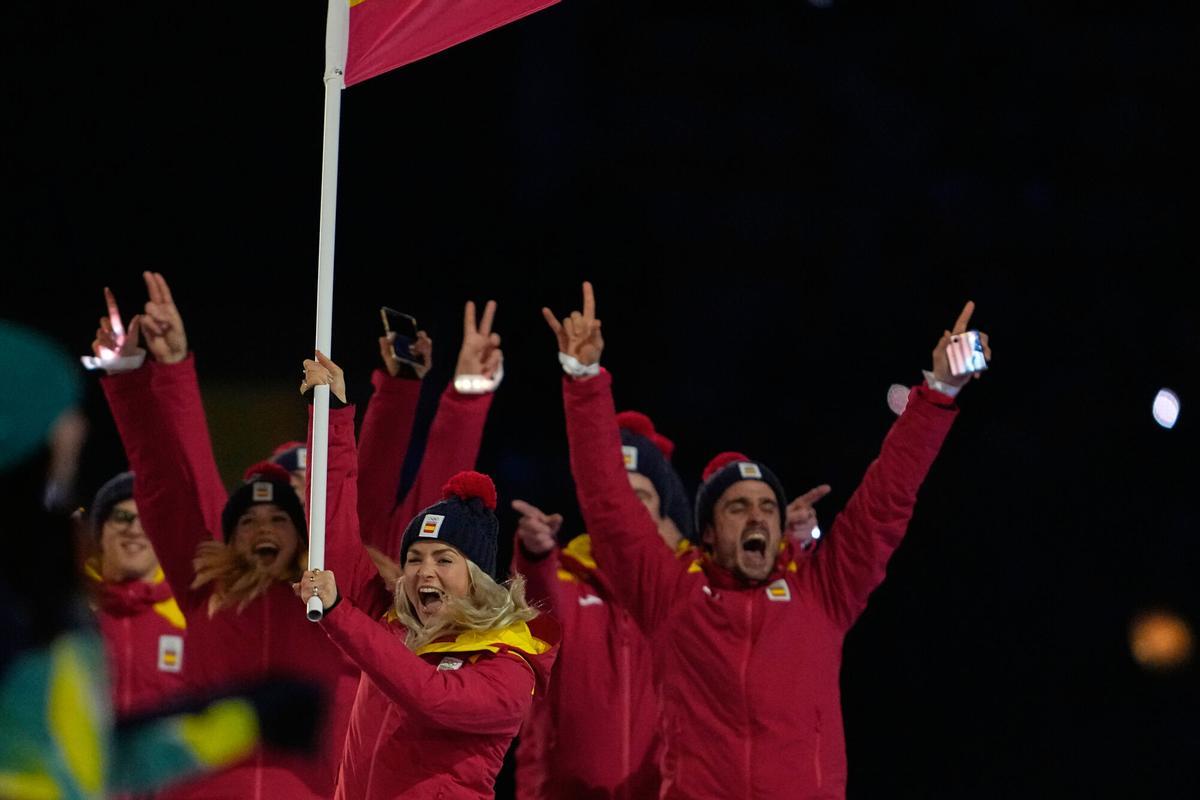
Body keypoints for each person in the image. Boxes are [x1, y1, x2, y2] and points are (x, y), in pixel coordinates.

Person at [544, 282, 990, 799]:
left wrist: (939, 392)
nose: (756, 515)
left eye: (767, 507)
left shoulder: (823, 593)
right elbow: (607, 502)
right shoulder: (672, 596)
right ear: (709, 533)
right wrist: (584, 380)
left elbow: (886, 501)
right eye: (737, 507)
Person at [0, 319, 322, 800]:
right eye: (59, 415)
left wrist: (248, 717)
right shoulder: (33, 610)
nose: (76, 429)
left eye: (286, 514)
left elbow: (95, 761)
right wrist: (150, 376)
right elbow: (178, 486)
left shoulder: (47, 599)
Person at [93, 273, 378, 798]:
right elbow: (167, 480)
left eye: (278, 520)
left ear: (303, 534)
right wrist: (142, 373)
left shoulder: (331, 603)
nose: (263, 528)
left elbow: (341, 505)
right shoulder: (205, 590)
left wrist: (334, 416)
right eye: (247, 521)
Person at [510, 410, 693, 800]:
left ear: (662, 513)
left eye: (641, 497)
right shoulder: (563, 579)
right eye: (617, 495)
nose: (626, 509)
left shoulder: (685, 587)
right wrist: (535, 556)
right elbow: (537, 609)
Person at [84, 471, 188, 718]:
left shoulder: (193, 615)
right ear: (99, 534)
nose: (134, 530)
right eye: (122, 517)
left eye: (148, 520)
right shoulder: (74, 615)